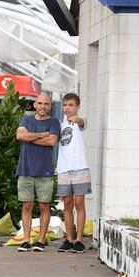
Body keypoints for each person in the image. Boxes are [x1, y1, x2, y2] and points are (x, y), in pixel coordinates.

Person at [15, 93, 60, 252]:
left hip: (45, 171)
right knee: (27, 205)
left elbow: (52, 141)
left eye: (46, 104)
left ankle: (40, 240)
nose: (42, 106)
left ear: (50, 106)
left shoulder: (54, 122)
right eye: (40, 103)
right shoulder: (26, 119)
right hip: (25, 169)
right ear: (35, 105)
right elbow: (20, 135)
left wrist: (29, 137)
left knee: (44, 205)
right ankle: (26, 240)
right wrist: (41, 135)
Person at [56, 93, 90, 253]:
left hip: (80, 168)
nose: (67, 108)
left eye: (70, 105)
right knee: (67, 204)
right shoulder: (60, 124)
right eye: (65, 105)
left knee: (79, 203)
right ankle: (69, 239)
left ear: (77, 106)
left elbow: (82, 122)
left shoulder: (78, 122)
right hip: (63, 169)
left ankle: (79, 240)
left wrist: (78, 119)